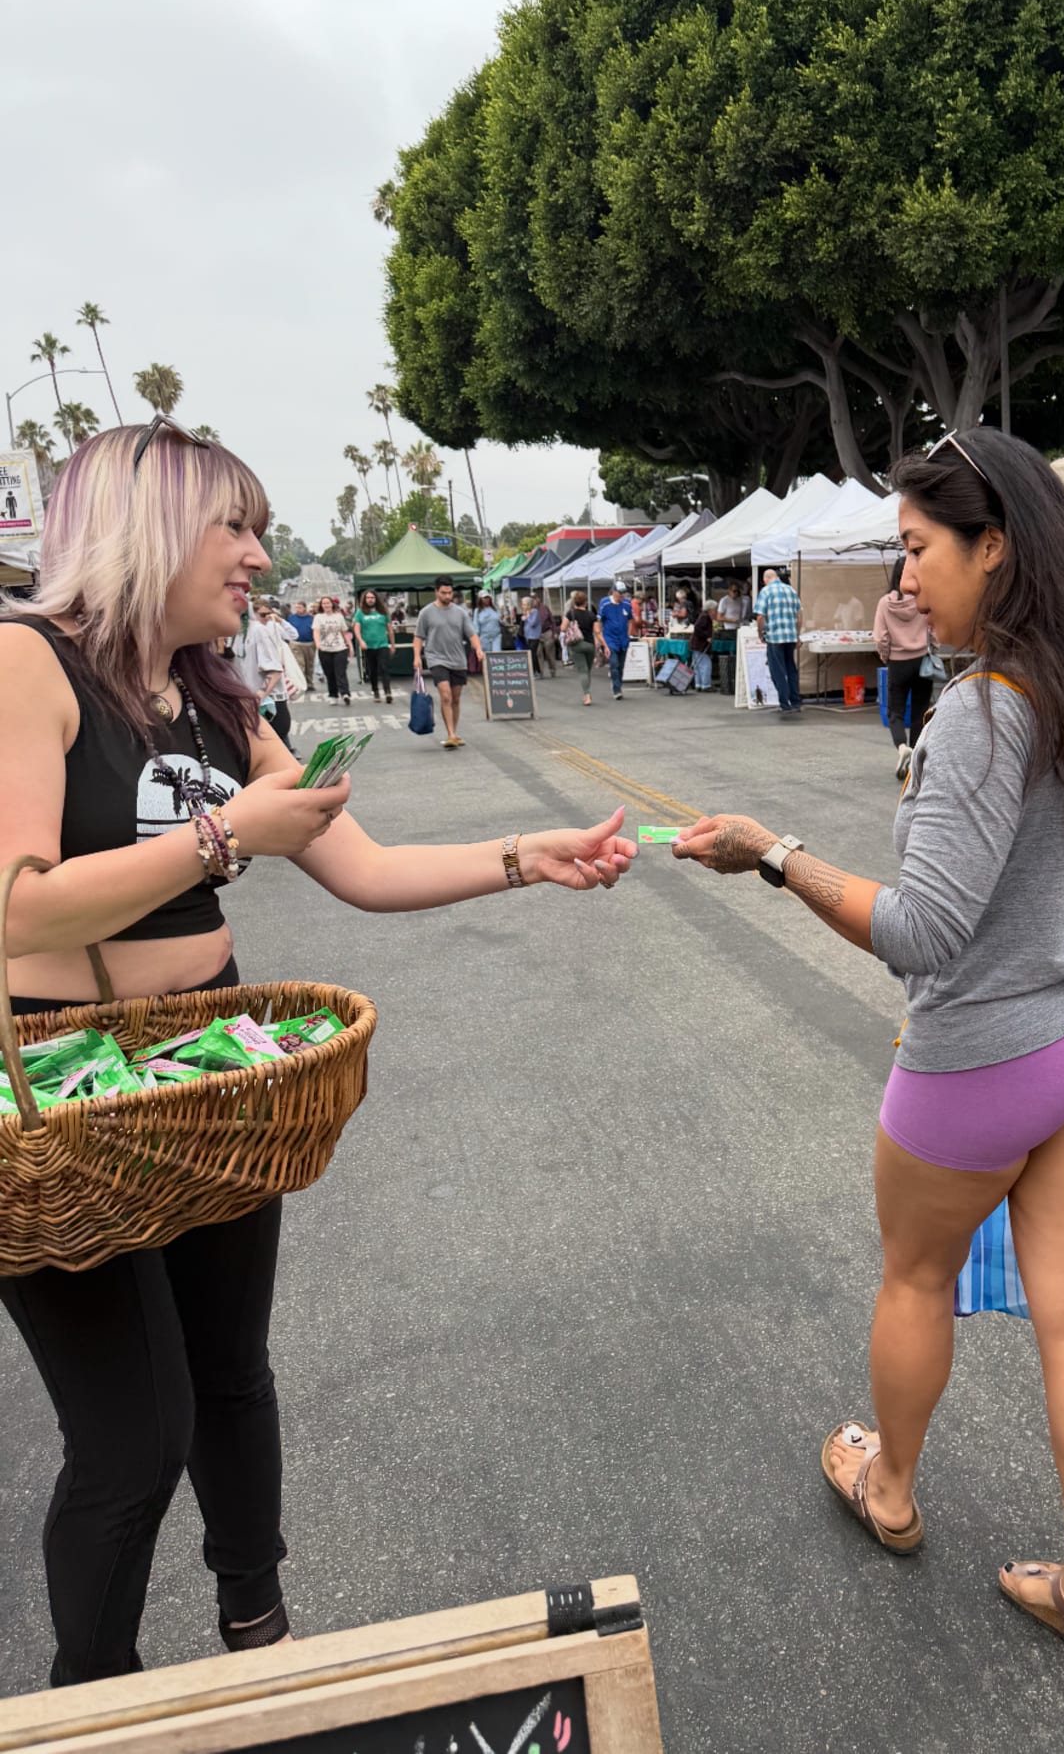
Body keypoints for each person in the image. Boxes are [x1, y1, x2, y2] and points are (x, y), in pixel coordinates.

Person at [0, 420, 637, 1688]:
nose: (256, 553)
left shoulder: (221, 698)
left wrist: (528, 855)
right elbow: (18, 905)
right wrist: (227, 834)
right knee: (135, 1437)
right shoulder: (28, 662)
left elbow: (366, 866)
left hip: (227, 1067)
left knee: (233, 1377)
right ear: (148, 526)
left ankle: (259, 1638)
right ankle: (98, 1695)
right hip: (64, 1092)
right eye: (232, 525)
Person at [673, 427, 1064, 1677]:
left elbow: (921, 936)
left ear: (995, 548)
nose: (904, 581)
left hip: (981, 1061)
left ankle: (892, 1488)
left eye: (916, 551)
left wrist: (778, 855)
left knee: (915, 1277)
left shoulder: (982, 712)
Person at [875, 557, 934, 778]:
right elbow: (933, 628)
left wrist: (886, 655)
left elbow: (880, 637)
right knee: (920, 712)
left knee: (895, 711)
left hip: (897, 663)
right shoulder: (922, 599)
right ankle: (916, 761)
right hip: (922, 660)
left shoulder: (885, 603)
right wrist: (932, 647)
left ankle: (902, 747)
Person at [413, 576, 481, 748]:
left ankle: (454, 732)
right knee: (445, 695)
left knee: (456, 699)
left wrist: (478, 649)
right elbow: (418, 636)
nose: (447, 596)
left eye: (449, 592)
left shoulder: (460, 613)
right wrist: (416, 657)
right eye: (443, 593)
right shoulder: (426, 613)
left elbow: (471, 634)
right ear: (436, 592)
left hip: (458, 660)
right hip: (436, 658)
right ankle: (450, 734)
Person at [239, 600, 292, 746]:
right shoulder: (235, 634)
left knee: (278, 753)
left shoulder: (258, 631)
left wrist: (258, 697)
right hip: (248, 703)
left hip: (269, 704)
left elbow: (275, 670)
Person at [754, 567, 803, 715]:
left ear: (765, 580)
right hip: (790, 636)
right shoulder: (791, 590)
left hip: (775, 637)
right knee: (791, 669)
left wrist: (760, 633)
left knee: (778, 671)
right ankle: (796, 702)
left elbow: (760, 616)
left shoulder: (766, 591)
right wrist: (797, 635)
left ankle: (784, 703)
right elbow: (799, 615)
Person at [353, 589, 395, 704]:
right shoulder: (360, 613)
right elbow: (356, 628)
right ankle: (375, 690)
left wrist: (392, 644)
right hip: (369, 646)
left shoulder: (382, 612)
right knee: (373, 669)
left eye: (372, 597)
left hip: (382, 644)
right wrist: (361, 641)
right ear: (364, 599)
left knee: (384, 667)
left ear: (376, 599)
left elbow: (389, 629)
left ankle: (388, 692)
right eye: (368, 598)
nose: (370, 600)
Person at [312, 596, 352, 706]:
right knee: (330, 674)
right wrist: (317, 644)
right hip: (325, 649)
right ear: (321, 606)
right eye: (324, 603)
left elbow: (344, 632)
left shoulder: (339, 616)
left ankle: (345, 693)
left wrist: (350, 645)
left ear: (332, 604)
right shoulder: (318, 617)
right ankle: (333, 695)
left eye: (328, 603)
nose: (326, 605)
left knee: (340, 672)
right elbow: (316, 631)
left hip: (339, 648)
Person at [598, 581, 633, 700]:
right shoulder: (605, 603)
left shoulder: (627, 604)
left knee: (621, 666)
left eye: (624, 593)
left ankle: (618, 683)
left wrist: (628, 635)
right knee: (614, 663)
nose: (622, 596)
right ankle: (616, 689)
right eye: (620, 593)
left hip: (623, 638)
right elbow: (599, 621)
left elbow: (630, 620)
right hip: (610, 638)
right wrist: (599, 637)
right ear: (613, 592)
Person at [565, 590, 598, 705]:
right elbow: (597, 631)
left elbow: (562, 628)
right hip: (590, 644)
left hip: (577, 644)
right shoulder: (592, 615)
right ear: (585, 602)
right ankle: (587, 692)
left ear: (574, 602)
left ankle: (587, 695)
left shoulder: (570, 614)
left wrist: (571, 627)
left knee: (582, 671)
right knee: (587, 670)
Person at [286, 602, 317, 696]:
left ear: (304, 608)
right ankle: (302, 684)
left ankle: (309, 682)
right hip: (296, 643)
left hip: (309, 643)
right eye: (296, 607)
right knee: (300, 664)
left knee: (309, 664)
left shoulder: (311, 618)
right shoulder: (291, 618)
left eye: (299, 607)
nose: (297, 609)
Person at [690, 604, 714, 691]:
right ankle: (706, 685)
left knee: (698, 665)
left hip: (696, 644)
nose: (715, 611)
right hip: (700, 644)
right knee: (706, 664)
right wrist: (706, 637)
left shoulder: (703, 616)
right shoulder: (705, 617)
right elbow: (697, 628)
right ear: (710, 609)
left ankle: (698, 684)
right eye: (714, 609)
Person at [473, 592, 503, 658]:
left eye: (488, 597)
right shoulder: (477, 611)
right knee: (486, 658)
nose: (487, 599)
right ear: (480, 599)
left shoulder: (495, 609)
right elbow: (476, 626)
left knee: (497, 656)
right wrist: (476, 641)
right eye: (484, 598)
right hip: (484, 638)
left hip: (496, 637)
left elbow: (500, 621)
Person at [535, 595, 558, 677]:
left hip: (547, 631)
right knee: (538, 653)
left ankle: (552, 670)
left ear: (538, 599)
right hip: (536, 634)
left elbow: (552, 620)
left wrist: (554, 632)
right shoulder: (530, 609)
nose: (535, 600)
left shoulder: (544, 607)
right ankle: (540, 672)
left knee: (549, 652)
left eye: (535, 598)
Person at [521, 594, 544, 674]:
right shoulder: (527, 612)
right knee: (531, 654)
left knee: (533, 653)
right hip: (528, 636)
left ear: (528, 604)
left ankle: (537, 671)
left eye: (524, 604)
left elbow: (532, 623)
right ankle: (535, 671)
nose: (522, 606)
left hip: (534, 636)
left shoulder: (534, 612)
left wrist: (527, 617)